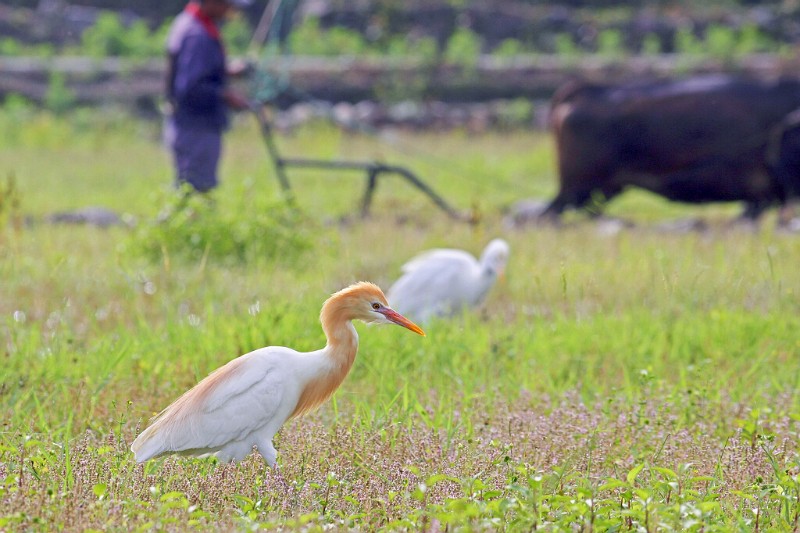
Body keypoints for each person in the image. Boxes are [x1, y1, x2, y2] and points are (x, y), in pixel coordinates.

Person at [164, 0, 252, 194]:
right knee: (195, 191)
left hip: (189, 124)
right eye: (226, 4)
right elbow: (191, 87)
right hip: (195, 126)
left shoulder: (189, 23)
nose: (230, 10)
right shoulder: (197, 35)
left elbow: (194, 71)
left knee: (192, 188)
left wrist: (225, 71)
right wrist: (227, 96)